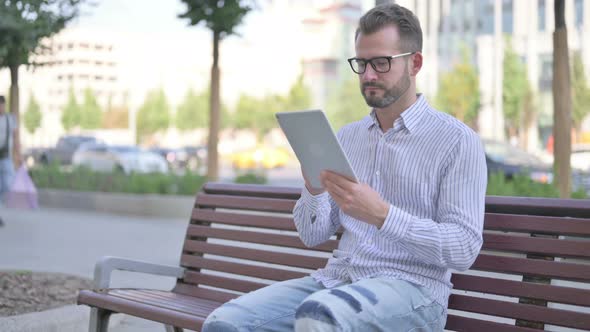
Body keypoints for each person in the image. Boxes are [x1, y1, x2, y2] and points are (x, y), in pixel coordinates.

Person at [202, 3, 487, 332]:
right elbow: (312, 235)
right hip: (336, 282)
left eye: (381, 63)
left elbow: (463, 249)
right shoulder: (349, 138)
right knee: (224, 323)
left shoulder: (456, 141)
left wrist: (383, 215)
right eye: (361, 63)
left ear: (415, 63)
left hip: (414, 292)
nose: (368, 75)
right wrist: (313, 187)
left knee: (318, 316)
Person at [0, 95, 18, 226]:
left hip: (6, 157)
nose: (1, 108)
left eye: (2, 105)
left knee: (8, 183)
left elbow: (16, 137)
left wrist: (19, 154)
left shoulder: (9, 119)